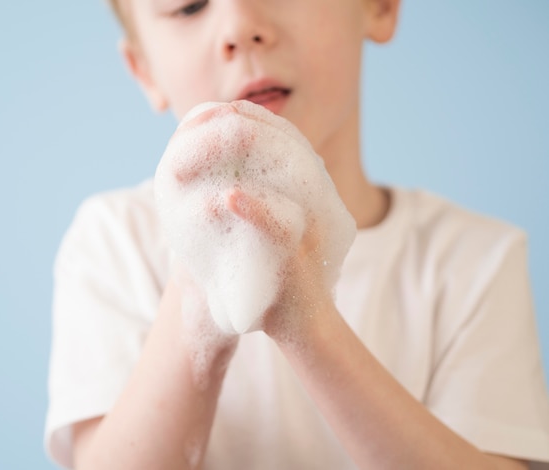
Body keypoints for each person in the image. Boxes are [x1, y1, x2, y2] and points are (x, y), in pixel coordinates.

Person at [44, 0, 549, 468]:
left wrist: (308, 321)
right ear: (145, 70)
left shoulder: (474, 259)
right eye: (188, 5)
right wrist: (199, 296)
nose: (240, 27)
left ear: (378, 7)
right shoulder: (115, 241)